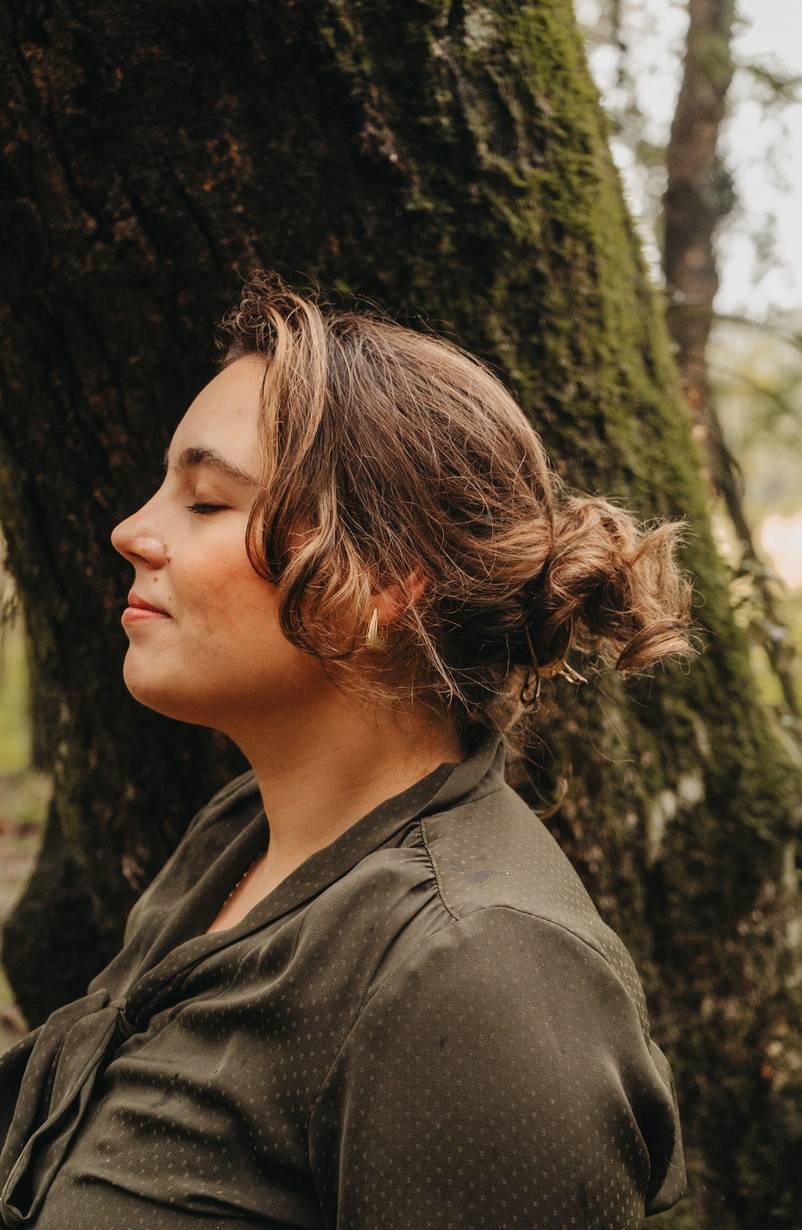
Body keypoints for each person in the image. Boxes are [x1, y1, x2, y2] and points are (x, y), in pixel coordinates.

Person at [0, 271, 698, 1228]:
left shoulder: (476, 972)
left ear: (381, 579)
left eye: (205, 502)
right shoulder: (245, 831)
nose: (131, 530)